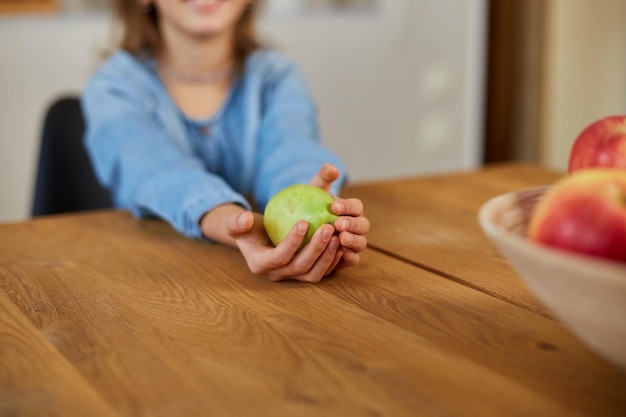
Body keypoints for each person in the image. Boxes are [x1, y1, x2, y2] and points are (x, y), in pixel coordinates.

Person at [81, 0, 369, 283]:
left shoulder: (277, 77)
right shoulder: (115, 87)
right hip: (150, 278)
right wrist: (233, 223)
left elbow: (292, 148)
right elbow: (156, 171)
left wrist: (311, 200)